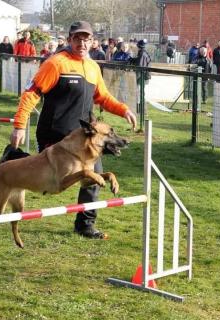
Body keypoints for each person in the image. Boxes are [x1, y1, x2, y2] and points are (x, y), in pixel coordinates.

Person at [10, 21, 136, 239]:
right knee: (47, 181)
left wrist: (123, 110)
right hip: (56, 133)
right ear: (69, 39)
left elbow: (103, 97)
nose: (83, 43)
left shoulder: (93, 67)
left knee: (94, 176)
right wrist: (20, 125)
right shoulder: (56, 63)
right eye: (78, 38)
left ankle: (85, 225)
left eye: (87, 39)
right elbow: (31, 93)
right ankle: (12, 158)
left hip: (84, 136)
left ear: (92, 41)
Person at [130, 39, 151, 111]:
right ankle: (140, 109)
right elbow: (138, 61)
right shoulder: (142, 53)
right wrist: (132, 60)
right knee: (140, 92)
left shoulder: (142, 54)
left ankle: (141, 109)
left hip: (142, 76)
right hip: (142, 76)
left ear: (139, 46)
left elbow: (140, 66)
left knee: (140, 93)